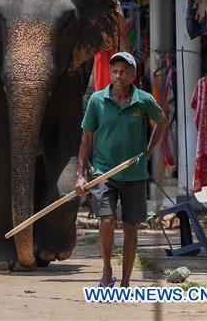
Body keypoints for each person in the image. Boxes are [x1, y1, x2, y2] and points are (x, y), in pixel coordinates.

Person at [75, 52, 165, 288]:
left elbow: (162, 121)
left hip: (134, 174)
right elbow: (86, 139)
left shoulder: (143, 100)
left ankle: (125, 281)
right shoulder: (97, 100)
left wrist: (148, 150)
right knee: (106, 220)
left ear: (133, 75)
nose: (118, 75)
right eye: (114, 71)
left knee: (130, 227)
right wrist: (80, 174)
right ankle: (106, 271)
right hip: (104, 173)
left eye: (123, 71)